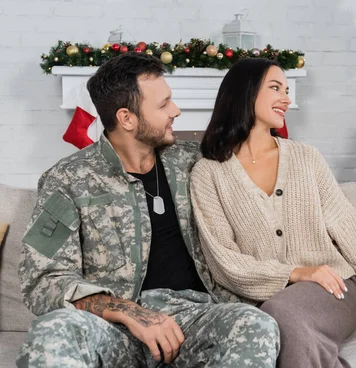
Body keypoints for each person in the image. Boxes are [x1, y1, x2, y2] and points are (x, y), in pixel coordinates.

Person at [189, 58, 356, 368]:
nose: (287, 99)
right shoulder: (208, 173)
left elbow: (353, 236)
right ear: (245, 92)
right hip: (259, 300)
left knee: (282, 314)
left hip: (331, 290)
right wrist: (294, 273)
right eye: (276, 88)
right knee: (274, 319)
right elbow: (224, 261)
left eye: (287, 89)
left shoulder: (306, 158)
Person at [17, 53, 279, 368]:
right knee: (52, 330)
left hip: (194, 320)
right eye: (163, 105)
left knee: (255, 324)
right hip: (114, 329)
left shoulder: (193, 162)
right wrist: (131, 313)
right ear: (127, 118)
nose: (176, 111)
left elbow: (259, 159)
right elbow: (42, 279)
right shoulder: (67, 180)